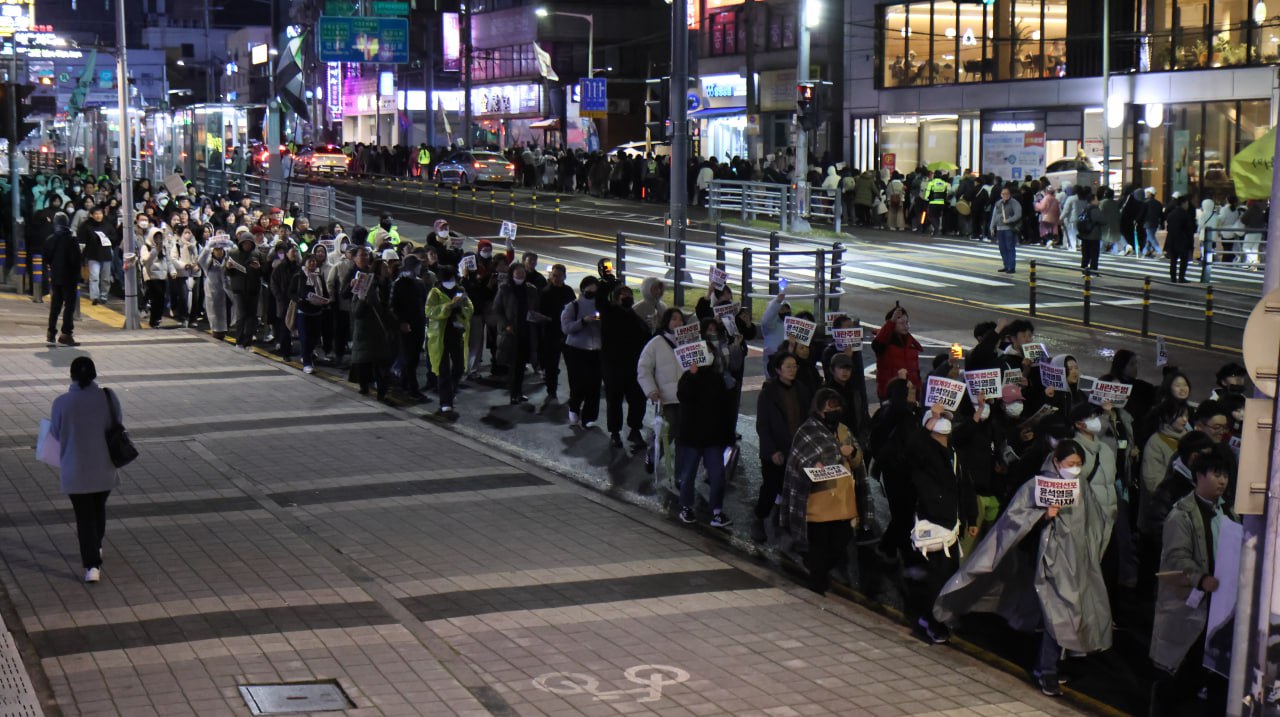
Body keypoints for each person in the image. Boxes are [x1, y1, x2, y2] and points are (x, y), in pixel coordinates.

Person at [934, 439, 1117, 697]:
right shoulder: (1037, 486)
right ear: (1056, 462)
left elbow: (1091, 525)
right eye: (1070, 463)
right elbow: (1015, 521)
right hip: (1049, 562)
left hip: (1076, 563)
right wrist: (1043, 516)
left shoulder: (1081, 486)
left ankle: (1053, 664)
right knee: (1059, 613)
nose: (1075, 469)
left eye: (1078, 464)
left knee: (1062, 614)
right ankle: (1047, 669)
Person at [1148, 451, 1236, 717]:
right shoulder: (1181, 515)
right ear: (1199, 476)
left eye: (1225, 475)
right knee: (1179, 669)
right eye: (1216, 474)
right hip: (1188, 602)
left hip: (1218, 603)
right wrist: (1200, 579)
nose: (1222, 481)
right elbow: (1177, 558)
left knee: (1209, 671)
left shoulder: (1228, 511)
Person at [907, 404, 978, 644]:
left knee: (947, 577)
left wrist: (971, 517)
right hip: (935, 522)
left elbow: (964, 486)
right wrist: (926, 424)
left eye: (945, 417)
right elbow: (913, 448)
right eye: (938, 417)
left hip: (952, 525)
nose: (943, 420)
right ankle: (931, 622)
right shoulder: (924, 453)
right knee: (936, 578)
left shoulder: (953, 452)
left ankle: (934, 619)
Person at [49, 357, 122, 583]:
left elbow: (55, 433)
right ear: (94, 375)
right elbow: (117, 423)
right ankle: (96, 546)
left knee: (84, 517)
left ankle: (92, 565)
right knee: (98, 509)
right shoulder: (108, 397)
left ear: (71, 375)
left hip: (75, 470)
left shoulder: (61, 403)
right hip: (104, 468)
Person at [782, 388, 862, 594]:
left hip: (842, 504)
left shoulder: (843, 431)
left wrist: (852, 452)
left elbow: (858, 460)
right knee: (819, 552)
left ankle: (817, 573)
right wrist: (813, 464)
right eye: (829, 408)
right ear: (818, 409)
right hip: (817, 506)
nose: (834, 412)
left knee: (840, 543)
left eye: (837, 407)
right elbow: (799, 461)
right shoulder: (807, 431)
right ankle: (816, 592)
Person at [753, 352, 814, 543]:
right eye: (788, 366)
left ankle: (789, 526)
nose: (792, 370)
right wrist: (772, 451)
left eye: (794, 366)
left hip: (797, 449)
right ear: (778, 370)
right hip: (775, 450)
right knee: (771, 486)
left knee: (795, 488)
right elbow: (763, 426)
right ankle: (759, 519)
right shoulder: (768, 393)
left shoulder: (802, 390)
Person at [674, 342, 734, 528]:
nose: (707, 355)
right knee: (688, 475)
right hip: (691, 437)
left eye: (709, 351)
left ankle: (716, 511)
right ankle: (686, 507)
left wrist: (728, 435)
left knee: (718, 476)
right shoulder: (687, 377)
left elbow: (725, 409)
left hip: (713, 438)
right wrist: (692, 376)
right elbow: (683, 397)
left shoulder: (717, 378)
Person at [600, 283, 649, 449]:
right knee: (614, 401)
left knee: (638, 400)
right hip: (613, 367)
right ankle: (615, 433)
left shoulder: (635, 317)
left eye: (629, 294)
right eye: (623, 294)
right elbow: (601, 300)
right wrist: (608, 282)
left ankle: (635, 430)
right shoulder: (609, 313)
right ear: (615, 299)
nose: (628, 297)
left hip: (634, 367)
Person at [426, 265, 472, 418]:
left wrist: (461, 309)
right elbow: (429, 311)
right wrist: (449, 306)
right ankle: (445, 403)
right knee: (443, 369)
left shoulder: (460, 290)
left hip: (457, 333)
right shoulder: (435, 292)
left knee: (459, 366)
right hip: (440, 335)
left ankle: (450, 392)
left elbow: (469, 308)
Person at [493, 263, 539, 404]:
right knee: (514, 363)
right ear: (512, 273)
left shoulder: (531, 289)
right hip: (511, 332)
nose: (520, 275)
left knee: (521, 364)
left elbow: (536, 307)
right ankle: (514, 393)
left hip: (526, 330)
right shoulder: (504, 288)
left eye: (522, 272)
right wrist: (506, 325)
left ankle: (518, 391)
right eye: (517, 273)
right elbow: (497, 309)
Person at [561, 276, 603, 428]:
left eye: (595, 288)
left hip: (596, 350)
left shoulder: (602, 306)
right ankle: (574, 408)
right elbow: (566, 328)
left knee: (594, 384)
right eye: (589, 288)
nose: (592, 291)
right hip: (576, 349)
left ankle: (589, 416)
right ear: (583, 288)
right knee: (578, 382)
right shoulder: (573, 306)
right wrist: (583, 321)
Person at [390, 254, 429, 398]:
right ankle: (413, 389)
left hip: (419, 323)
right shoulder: (399, 283)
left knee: (414, 356)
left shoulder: (419, 282)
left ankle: (404, 384)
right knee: (410, 357)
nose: (419, 268)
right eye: (417, 265)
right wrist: (401, 322)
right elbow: (393, 306)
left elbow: (424, 303)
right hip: (406, 325)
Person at [538, 264, 575, 405]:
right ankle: (551, 390)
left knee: (571, 364)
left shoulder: (568, 291)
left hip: (567, 333)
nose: (556, 278)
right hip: (551, 332)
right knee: (551, 365)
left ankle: (574, 392)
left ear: (564, 277)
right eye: (554, 275)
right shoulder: (545, 292)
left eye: (559, 276)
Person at [291, 251, 333, 375]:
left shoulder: (319, 276)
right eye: (310, 262)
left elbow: (324, 292)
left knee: (315, 338)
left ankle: (307, 355)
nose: (313, 264)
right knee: (305, 338)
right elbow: (291, 292)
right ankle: (307, 363)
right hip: (303, 311)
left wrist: (325, 300)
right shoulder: (298, 276)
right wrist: (299, 299)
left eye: (314, 262)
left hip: (317, 311)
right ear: (305, 263)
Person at [44, 213, 81, 347]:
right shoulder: (72, 239)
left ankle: (51, 332)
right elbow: (76, 260)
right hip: (69, 277)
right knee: (69, 306)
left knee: (55, 305)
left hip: (56, 277)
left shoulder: (50, 239)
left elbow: (46, 258)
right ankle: (66, 334)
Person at [872, 303, 922, 400]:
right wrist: (892, 321)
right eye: (902, 323)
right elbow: (877, 345)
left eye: (907, 322)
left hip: (910, 393)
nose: (905, 326)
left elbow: (916, 372)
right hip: (890, 394)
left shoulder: (911, 343)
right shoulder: (884, 341)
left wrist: (918, 390)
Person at [197, 237, 231, 340]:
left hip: (227, 290)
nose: (219, 252)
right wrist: (208, 246)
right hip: (213, 290)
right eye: (216, 250)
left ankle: (225, 330)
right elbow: (200, 260)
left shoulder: (228, 259)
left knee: (228, 311)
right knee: (215, 312)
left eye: (220, 249)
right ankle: (216, 331)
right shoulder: (208, 262)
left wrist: (230, 243)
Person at [989, 185, 1022, 274]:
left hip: (1009, 228)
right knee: (1002, 248)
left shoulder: (1014, 203)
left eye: (1007, 193)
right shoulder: (998, 203)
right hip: (999, 228)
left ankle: (1011, 267)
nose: (1005, 195)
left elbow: (1018, 214)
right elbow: (994, 216)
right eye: (1003, 194)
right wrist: (992, 227)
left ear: (1010, 194)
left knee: (1010, 247)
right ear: (1001, 195)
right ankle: (1006, 265)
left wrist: (1008, 220)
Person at [1164, 194, 1196, 283]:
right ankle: (1181, 277)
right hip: (1183, 240)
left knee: (1173, 260)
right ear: (1183, 203)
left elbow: (1168, 228)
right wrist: (1191, 242)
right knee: (1183, 260)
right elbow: (1189, 230)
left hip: (1172, 239)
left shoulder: (1171, 214)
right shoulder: (1186, 215)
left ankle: (1173, 277)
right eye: (1186, 203)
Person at [1077, 188, 1104, 274]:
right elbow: (1102, 220)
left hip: (1084, 234)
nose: (1098, 201)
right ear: (1092, 200)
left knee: (1085, 254)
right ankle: (1093, 270)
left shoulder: (1085, 209)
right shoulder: (1095, 209)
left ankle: (1083, 268)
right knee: (1094, 255)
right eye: (1096, 199)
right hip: (1093, 235)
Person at [1141, 188, 1164, 258]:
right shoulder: (1159, 203)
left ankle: (1159, 251)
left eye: (1147, 193)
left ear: (1150, 194)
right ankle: (1146, 250)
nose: (1145, 194)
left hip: (1147, 223)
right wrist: (1161, 223)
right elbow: (1161, 215)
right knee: (1149, 237)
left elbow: (1141, 213)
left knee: (1151, 237)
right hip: (1155, 223)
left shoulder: (1145, 203)